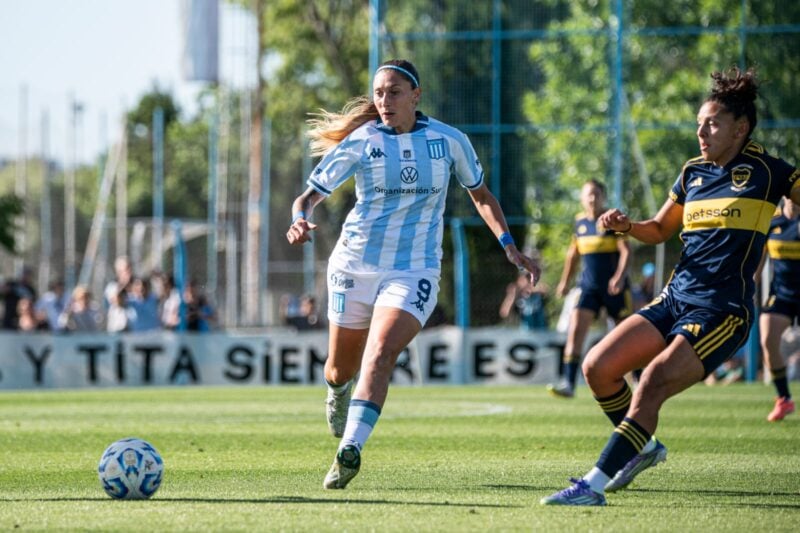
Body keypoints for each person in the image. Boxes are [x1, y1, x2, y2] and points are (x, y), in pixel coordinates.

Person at [541, 66, 800, 506]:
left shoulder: (768, 171)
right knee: (597, 367)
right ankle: (643, 447)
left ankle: (593, 485)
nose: (701, 132)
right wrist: (627, 226)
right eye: (699, 123)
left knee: (653, 381)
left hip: (722, 311)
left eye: (712, 124)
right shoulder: (692, 173)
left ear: (740, 128)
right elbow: (660, 229)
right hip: (674, 298)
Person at [286, 59, 541, 490]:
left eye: (394, 92)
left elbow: (480, 194)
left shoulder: (449, 140)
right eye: (379, 93)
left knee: (381, 352)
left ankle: (350, 449)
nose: (384, 100)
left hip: (414, 268)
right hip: (354, 265)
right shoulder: (362, 141)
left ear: (416, 95)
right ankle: (338, 391)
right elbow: (307, 198)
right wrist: (298, 220)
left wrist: (509, 245)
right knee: (339, 369)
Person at [547, 179, 632, 398]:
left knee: (629, 336)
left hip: (614, 289)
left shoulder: (612, 220)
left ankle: (641, 379)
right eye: (588, 194)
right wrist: (565, 282)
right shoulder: (580, 222)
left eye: (597, 194)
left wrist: (619, 277)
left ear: (604, 197)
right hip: (588, 288)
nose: (593, 199)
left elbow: (626, 251)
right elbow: (573, 254)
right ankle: (568, 383)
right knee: (575, 331)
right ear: (582, 198)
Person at [757, 197, 800, 421]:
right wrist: (747, 291)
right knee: (767, 338)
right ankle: (784, 399)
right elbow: (757, 264)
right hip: (782, 295)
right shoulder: (771, 221)